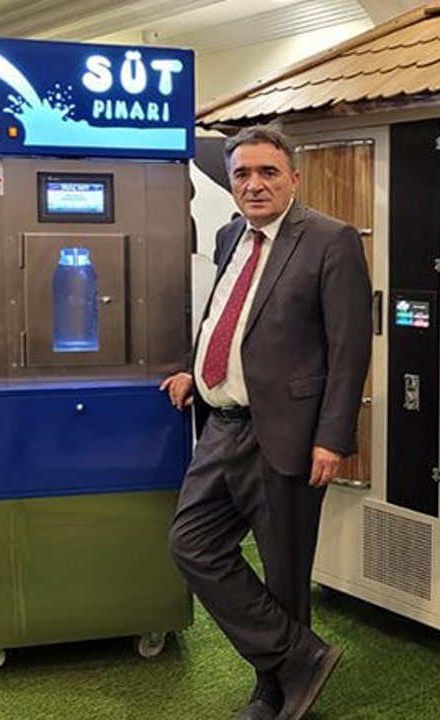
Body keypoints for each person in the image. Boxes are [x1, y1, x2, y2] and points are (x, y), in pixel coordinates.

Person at [162, 124, 372, 720]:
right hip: (221, 427)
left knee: (284, 571)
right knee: (192, 544)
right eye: (242, 174)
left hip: (289, 433)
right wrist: (195, 371)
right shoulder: (231, 235)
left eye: (267, 172)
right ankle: (299, 658)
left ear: (293, 178)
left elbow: (350, 348)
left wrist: (332, 437)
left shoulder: (331, 240)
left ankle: (274, 690)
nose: (254, 184)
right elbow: (227, 317)